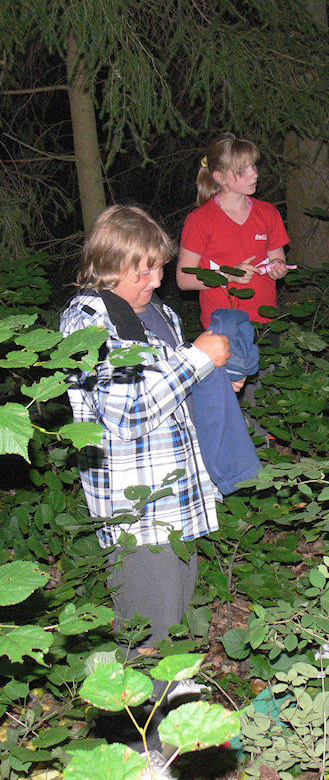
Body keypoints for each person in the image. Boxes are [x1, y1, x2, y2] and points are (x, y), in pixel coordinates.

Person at [60, 205, 233, 657]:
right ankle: (146, 707)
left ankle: (177, 703)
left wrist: (213, 378)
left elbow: (171, 391)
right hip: (137, 513)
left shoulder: (159, 313)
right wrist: (196, 360)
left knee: (175, 630)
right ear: (109, 265)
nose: (157, 280)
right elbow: (127, 414)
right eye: (144, 271)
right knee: (149, 641)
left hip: (178, 501)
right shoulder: (90, 320)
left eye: (159, 267)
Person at [176, 133, 290, 329]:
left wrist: (278, 268)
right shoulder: (200, 220)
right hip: (223, 325)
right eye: (242, 170)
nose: (254, 174)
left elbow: (277, 260)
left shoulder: (269, 213)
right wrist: (229, 275)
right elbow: (183, 279)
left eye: (253, 166)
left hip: (266, 323)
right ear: (220, 177)